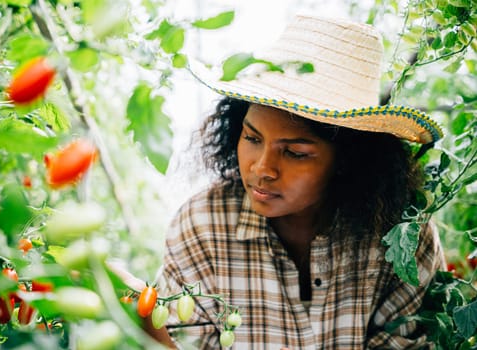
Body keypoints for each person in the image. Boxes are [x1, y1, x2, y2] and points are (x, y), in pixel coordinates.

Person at [111, 14, 446, 349]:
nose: (262, 168)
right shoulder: (202, 227)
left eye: (295, 153)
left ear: (348, 160)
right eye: (252, 138)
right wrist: (142, 314)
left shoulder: (402, 237)